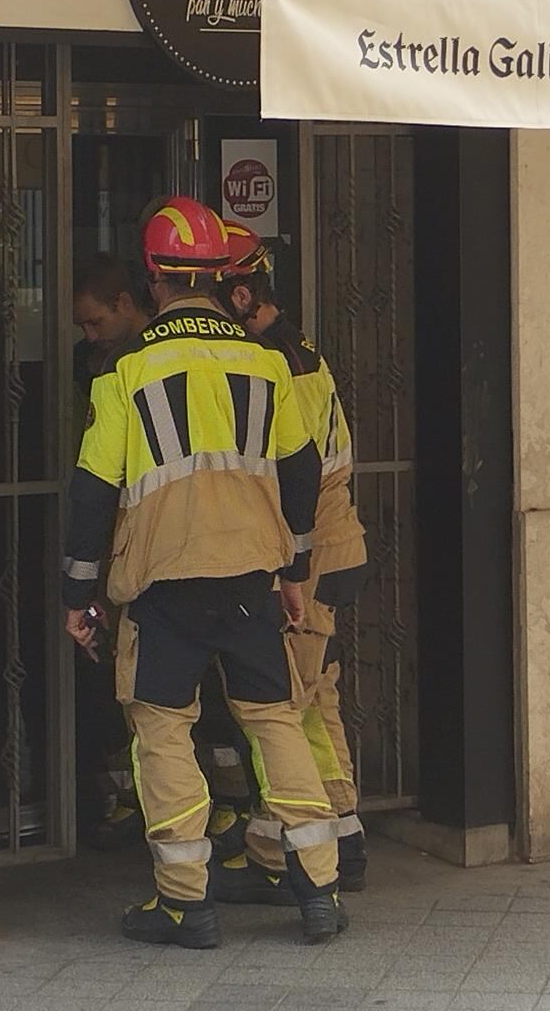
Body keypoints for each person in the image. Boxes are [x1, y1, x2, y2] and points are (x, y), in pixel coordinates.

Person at [62, 197, 347, 948]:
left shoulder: (128, 373)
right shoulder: (264, 363)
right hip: (253, 578)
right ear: (219, 276)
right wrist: (296, 566)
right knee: (276, 721)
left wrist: (77, 592)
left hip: (165, 586)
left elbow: (92, 490)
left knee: (162, 731)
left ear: (154, 279)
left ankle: (187, 903)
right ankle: (318, 887)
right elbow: (300, 469)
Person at [209, 223, 373, 903]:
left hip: (311, 554)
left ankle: (277, 852)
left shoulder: (281, 364)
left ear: (243, 295)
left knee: (282, 706)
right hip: (333, 549)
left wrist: (289, 566)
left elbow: (296, 476)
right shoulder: (300, 354)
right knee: (314, 700)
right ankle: (346, 833)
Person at [69, 253, 152, 847]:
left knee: (157, 694)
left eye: (96, 322)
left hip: (145, 547)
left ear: (127, 303)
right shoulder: (97, 363)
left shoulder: (138, 367)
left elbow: (99, 480)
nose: (88, 336)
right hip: (125, 550)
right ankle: (126, 793)